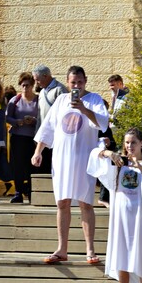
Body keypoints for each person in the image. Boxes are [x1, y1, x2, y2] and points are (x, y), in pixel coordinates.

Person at [32, 66, 109, 265]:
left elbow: (103, 124)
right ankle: (62, 248)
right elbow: (47, 127)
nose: (77, 85)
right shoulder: (60, 100)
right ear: (67, 82)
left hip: (84, 158)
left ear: (86, 81)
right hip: (61, 158)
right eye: (73, 82)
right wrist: (38, 151)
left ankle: (90, 249)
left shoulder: (94, 100)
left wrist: (83, 108)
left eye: (80, 82)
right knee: (62, 202)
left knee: (85, 203)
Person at [87, 127, 142, 283]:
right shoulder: (118, 162)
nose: (129, 146)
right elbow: (94, 156)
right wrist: (109, 153)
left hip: (140, 218)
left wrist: (141, 168)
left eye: (133, 142)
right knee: (121, 257)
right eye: (127, 142)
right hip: (120, 217)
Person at [5, 72, 38, 203]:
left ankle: (31, 192)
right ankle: (18, 192)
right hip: (18, 137)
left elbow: (43, 118)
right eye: (23, 85)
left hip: (33, 138)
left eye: (28, 85)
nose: (25, 88)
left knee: (32, 166)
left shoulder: (38, 100)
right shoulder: (15, 100)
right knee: (18, 165)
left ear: (33, 85)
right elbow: (8, 117)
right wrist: (17, 121)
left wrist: (33, 120)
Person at [30, 65, 67, 173]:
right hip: (43, 136)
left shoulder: (60, 90)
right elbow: (40, 115)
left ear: (45, 76)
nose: (36, 83)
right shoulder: (42, 92)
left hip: (56, 136)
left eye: (37, 80)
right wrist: (37, 134)